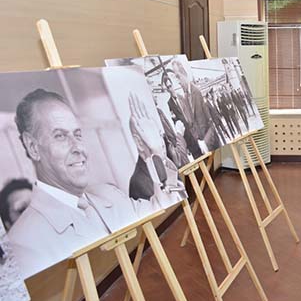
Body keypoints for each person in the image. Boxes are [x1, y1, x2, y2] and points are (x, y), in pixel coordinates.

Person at [7, 89, 176, 278]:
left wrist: (156, 150)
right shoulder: (23, 246)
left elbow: (166, 213)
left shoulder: (110, 195)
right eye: (60, 136)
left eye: (78, 134)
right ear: (33, 147)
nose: (78, 147)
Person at [127, 94, 187, 201]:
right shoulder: (139, 183)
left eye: (160, 134)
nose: (162, 141)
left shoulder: (164, 162)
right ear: (139, 143)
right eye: (155, 135)